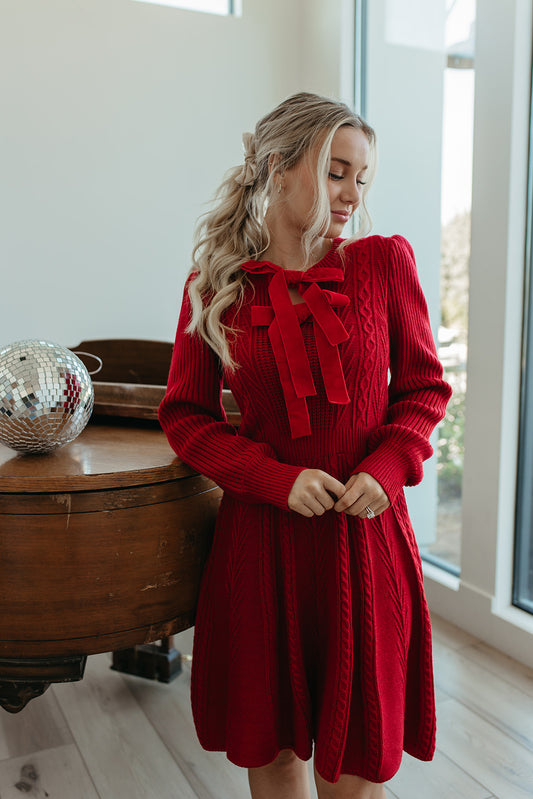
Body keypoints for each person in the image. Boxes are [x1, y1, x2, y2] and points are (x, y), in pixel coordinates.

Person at [159, 92, 452, 799]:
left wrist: (387, 465)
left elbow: (423, 389)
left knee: (353, 771)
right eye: (336, 172)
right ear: (279, 168)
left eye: (362, 179)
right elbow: (186, 416)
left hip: (365, 543)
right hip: (261, 548)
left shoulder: (383, 263)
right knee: (276, 753)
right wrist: (270, 477)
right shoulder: (214, 286)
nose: (352, 193)